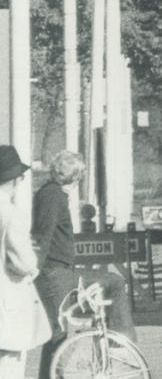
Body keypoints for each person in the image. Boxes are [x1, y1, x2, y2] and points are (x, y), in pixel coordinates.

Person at [0, 146, 49, 379]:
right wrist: (33, 267)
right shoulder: (10, 213)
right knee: (9, 367)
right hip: (6, 304)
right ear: (14, 180)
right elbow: (23, 261)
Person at [31, 151, 81, 379]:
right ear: (72, 176)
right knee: (59, 331)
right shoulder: (52, 196)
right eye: (78, 175)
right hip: (53, 270)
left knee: (58, 331)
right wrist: (36, 269)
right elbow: (44, 235)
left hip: (56, 268)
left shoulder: (52, 194)